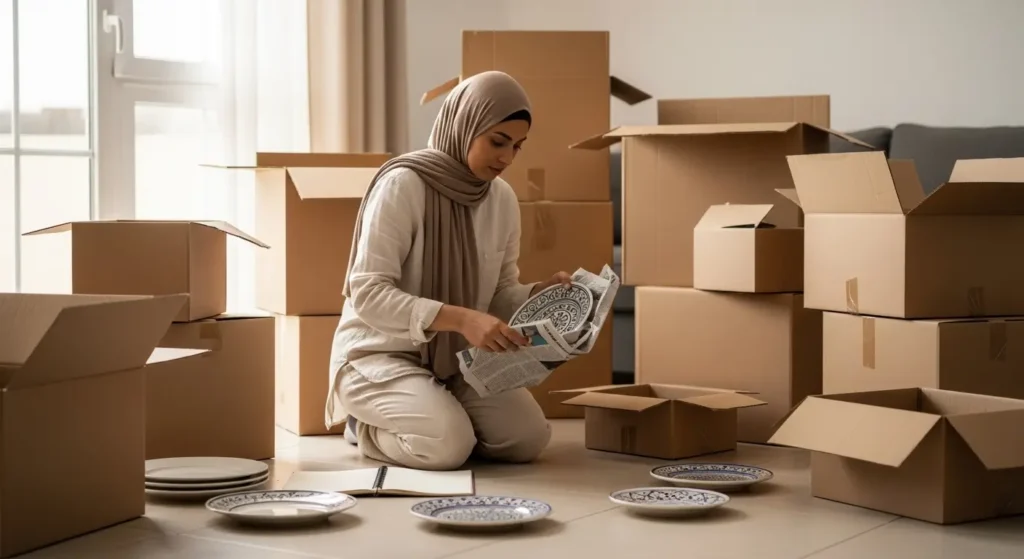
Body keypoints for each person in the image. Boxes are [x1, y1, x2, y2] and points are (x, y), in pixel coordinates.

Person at [326, 71, 571, 471]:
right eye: (497, 142)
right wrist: (461, 318)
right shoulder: (403, 184)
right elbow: (367, 291)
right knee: (447, 448)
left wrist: (538, 293)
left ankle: (438, 413)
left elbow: (499, 291)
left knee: (526, 438)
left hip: (456, 359)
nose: (507, 158)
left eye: (517, 147)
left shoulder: (502, 200)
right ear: (464, 125)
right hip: (380, 355)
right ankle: (363, 426)